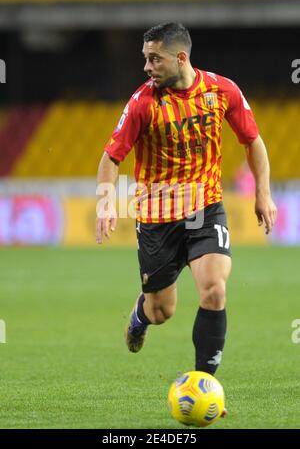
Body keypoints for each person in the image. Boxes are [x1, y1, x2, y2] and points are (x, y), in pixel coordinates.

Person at [96, 23, 277, 379]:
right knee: (162, 310)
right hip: (157, 215)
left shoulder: (222, 91)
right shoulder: (141, 104)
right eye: (145, 59)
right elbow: (112, 157)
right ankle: (140, 315)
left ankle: (204, 382)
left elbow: (252, 140)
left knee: (214, 289)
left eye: (154, 59)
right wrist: (106, 203)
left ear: (180, 58)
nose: (147, 67)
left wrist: (263, 192)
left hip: (203, 208)